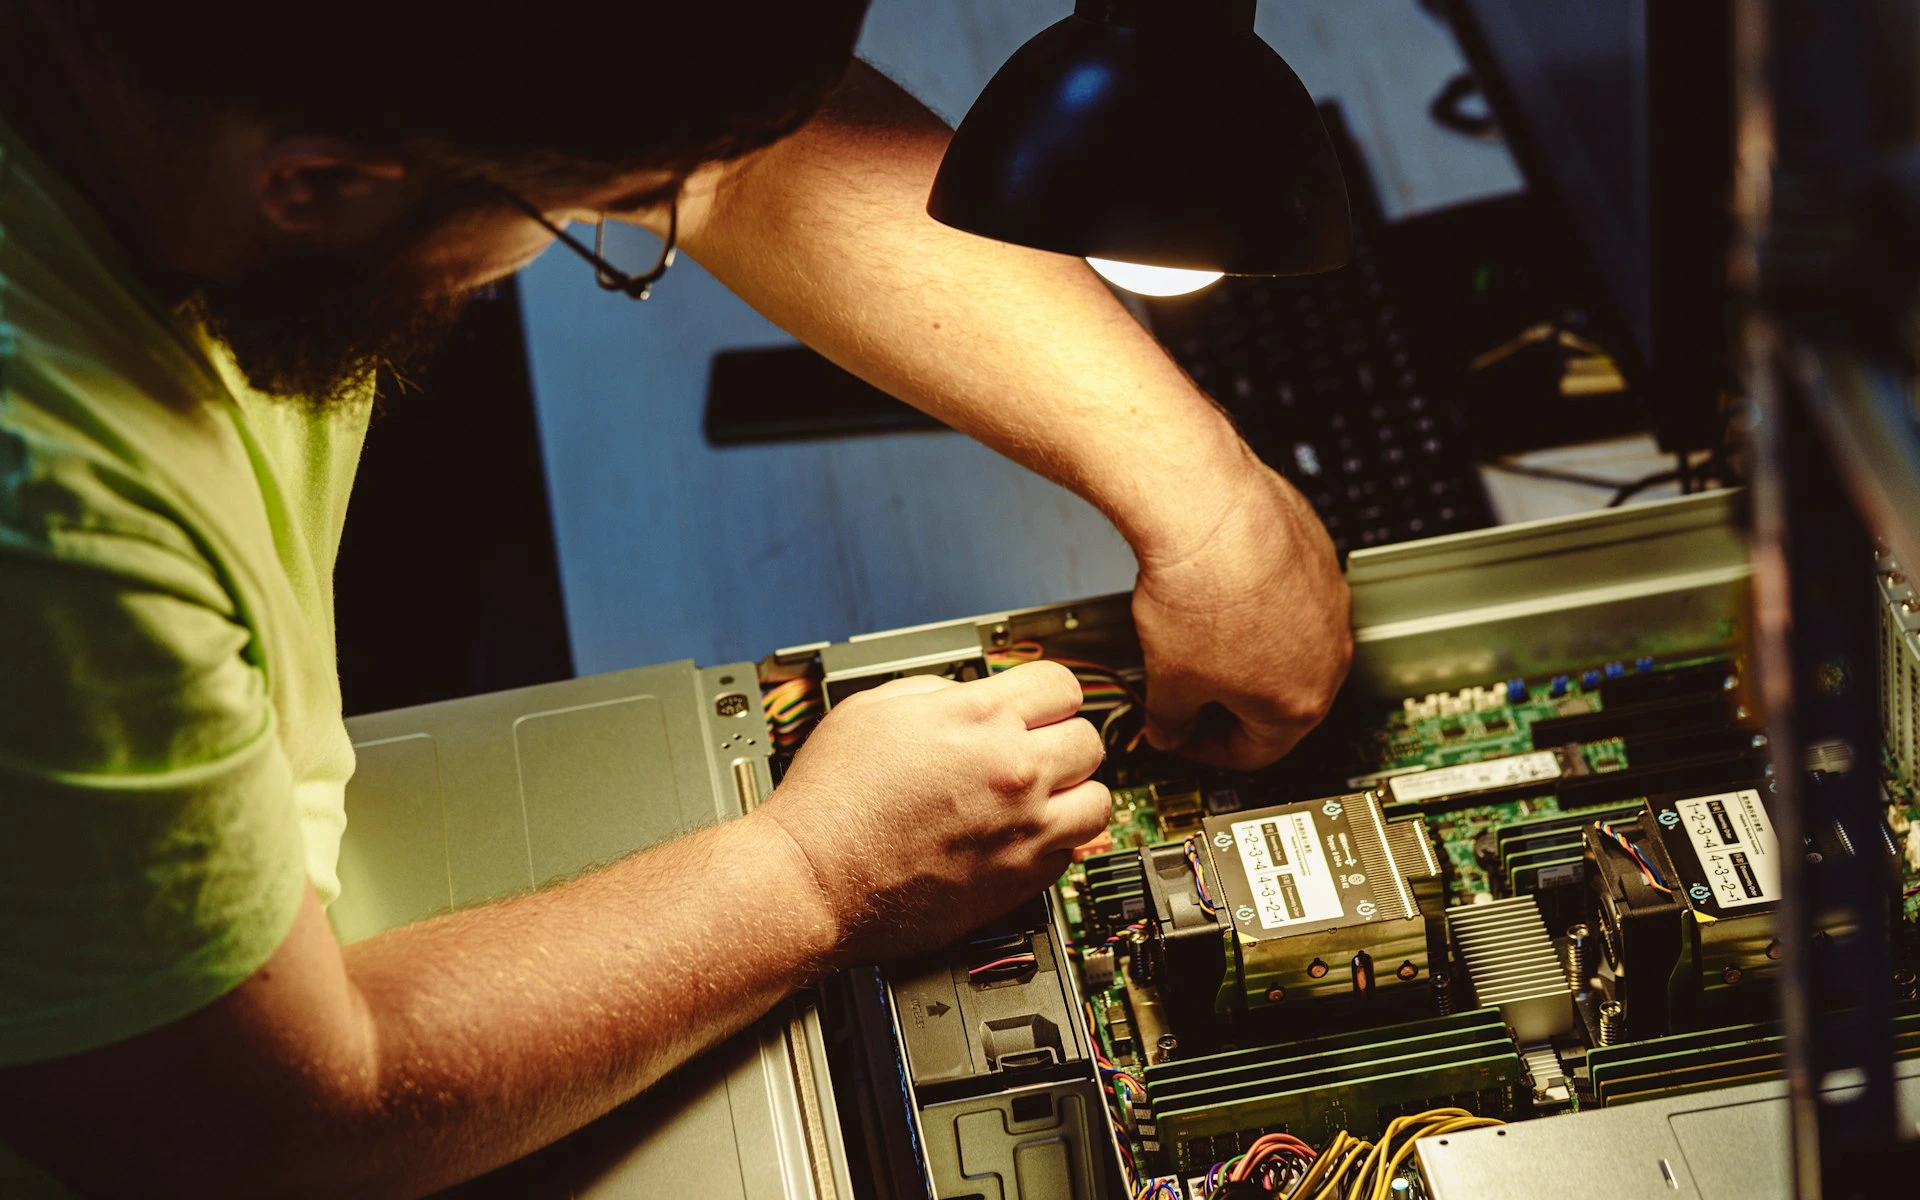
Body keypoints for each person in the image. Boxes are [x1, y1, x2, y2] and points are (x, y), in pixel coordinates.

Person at [0, 2, 1351, 1194]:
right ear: (321, 182)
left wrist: (1209, 496)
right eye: (589, 220)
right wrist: (813, 875)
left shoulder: (201, 96)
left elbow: (733, 159)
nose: (633, 220)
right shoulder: (54, 523)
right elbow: (245, 1129)